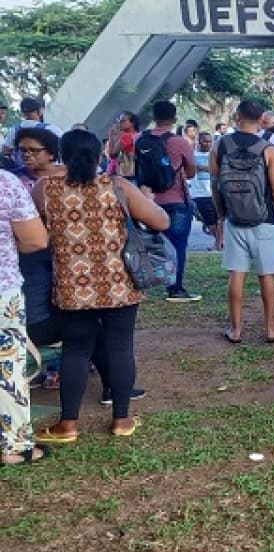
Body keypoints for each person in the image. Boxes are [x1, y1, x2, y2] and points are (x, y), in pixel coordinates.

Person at [33, 130, 169, 444]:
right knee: (121, 348)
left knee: (76, 351)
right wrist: (145, 200)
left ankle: (68, 425)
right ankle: (122, 419)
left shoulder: (44, 190)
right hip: (118, 284)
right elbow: (160, 222)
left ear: (62, 156)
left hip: (72, 287)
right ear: (99, 156)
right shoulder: (118, 187)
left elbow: (37, 231)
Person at [210, 100, 274, 345]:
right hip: (264, 219)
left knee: (237, 274)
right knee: (267, 275)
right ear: (262, 120)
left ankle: (235, 330)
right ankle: (271, 328)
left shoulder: (220, 145)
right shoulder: (268, 149)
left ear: (237, 116)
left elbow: (215, 185)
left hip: (234, 218)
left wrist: (222, 215)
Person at [0, 169, 51, 464]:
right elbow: (35, 240)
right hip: (3, 289)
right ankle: (14, 447)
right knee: (8, 366)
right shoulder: (6, 183)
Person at [143, 101, 200, 303]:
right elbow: (191, 171)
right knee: (177, 245)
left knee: (148, 245)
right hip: (175, 199)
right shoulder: (180, 142)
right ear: (175, 118)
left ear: (154, 116)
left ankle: (144, 285)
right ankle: (175, 289)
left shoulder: (142, 140)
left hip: (147, 201)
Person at [190, 132, 216, 230]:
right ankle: (219, 243)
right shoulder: (192, 155)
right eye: (205, 141)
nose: (208, 144)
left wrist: (204, 168)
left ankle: (219, 244)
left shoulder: (214, 155)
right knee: (210, 222)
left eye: (210, 141)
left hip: (214, 193)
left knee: (218, 220)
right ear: (199, 142)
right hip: (200, 193)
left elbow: (219, 170)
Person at [105, 111, 140, 181]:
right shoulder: (138, 135)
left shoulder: (127, 137)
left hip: (127, 175)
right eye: (119, 121)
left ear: (132, 123)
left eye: (123, 121)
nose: (120, 123)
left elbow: (112, 155)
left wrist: (111, 136)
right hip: (137, 172)